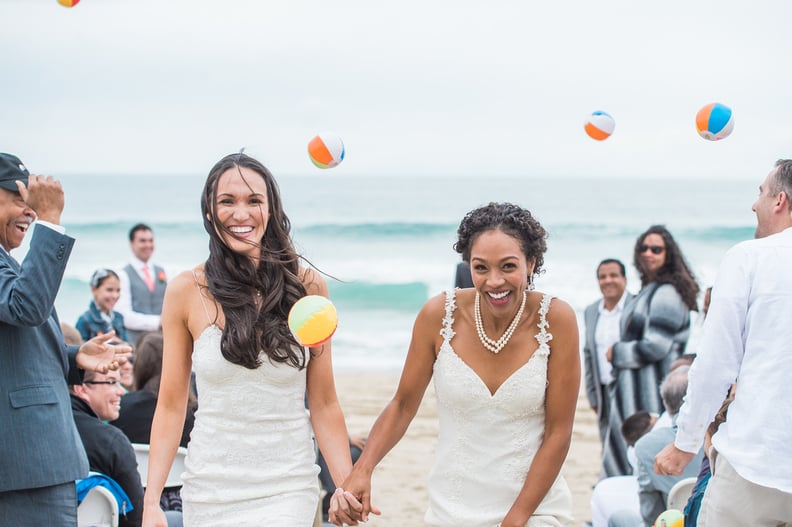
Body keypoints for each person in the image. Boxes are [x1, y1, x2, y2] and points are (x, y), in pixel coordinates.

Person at [141, 153, 355, 527]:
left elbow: (323, 401)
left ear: (270, 210)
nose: (241, 213)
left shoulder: (307, 287)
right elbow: (172, 404)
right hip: (209, 486)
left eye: (254, 201)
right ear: (209, 211)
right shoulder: (184, 291)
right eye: (227, 201)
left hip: (287, 483)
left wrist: (344, 485)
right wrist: (151, 500)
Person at [336, 202, 580, 527]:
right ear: (469, 266)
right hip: (451, 510)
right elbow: (403, 405)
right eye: (481, 268)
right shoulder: (437, 316)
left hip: (534, 509)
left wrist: (516, 519)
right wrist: (362, 469)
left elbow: (558, 433)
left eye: (508, 266)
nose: (494, 281)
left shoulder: (557, 320)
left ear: (531, 263)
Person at [655, 159, 792, 525]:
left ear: (780, 201)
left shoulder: (750, 257)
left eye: (760, 192)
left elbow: (716, 364)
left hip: (756, 462)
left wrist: (685, 442)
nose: (754, 204)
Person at [0, 152, 129, 525]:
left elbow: (17, 342)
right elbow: (26, 306)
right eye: (18, 198)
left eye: (32, 203)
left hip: (34, 464)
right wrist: (51, 224)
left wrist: (75, 358)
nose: (30, 211)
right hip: (26, 466)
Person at [602, 225, 698, 477]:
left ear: (669, 254)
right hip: (633, 390)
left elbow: (656, 347)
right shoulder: (650, 290)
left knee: (640, 457)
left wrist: (617, 352)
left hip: (647, 392)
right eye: (643, 248)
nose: (648, 253)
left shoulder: (667, 293)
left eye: (656, 249)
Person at [609, 366, 704, 527]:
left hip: (676, 522)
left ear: (666, 405)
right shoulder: (724, 436)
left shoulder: (645, 446)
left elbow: (651, 513)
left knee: (617, 517)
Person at [71, 368, 145, 527]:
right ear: (81, 388)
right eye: (111, 382)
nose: (122, 391)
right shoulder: (112, 441)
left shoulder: (41, 433)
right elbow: (137, 518)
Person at [582, 258, 631, 453]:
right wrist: (593, 396)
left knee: (631, 439)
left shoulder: (636, 306)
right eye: (602, 277)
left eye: (613, 275)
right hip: (603, 389)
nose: (608, 281)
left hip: (629, 388)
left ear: (624, 279)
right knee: (607, 439)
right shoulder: (592, 311)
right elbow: (588, 353)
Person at [118, 223, 167, 345]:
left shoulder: (162, 271)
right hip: (136, 344)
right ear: (131, 244)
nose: (148, 245)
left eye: (151, 240)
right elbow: (124, 316)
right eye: (142, 241)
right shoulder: (123, 275)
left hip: (162, 341)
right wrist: (157, 322)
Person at [76, 268, 129, 342]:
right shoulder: (85, 320)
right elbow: (80, 351)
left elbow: (128, 347)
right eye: (109, 290)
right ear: (94, 289)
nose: (115, 295)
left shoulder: (119, 317)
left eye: (118, 290)